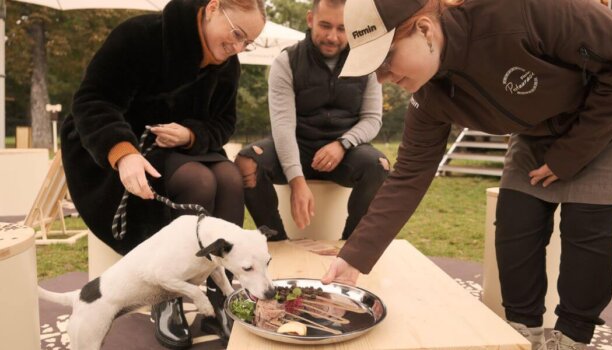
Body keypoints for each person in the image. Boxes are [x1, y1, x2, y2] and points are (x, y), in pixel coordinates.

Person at [320, 0, 612, 348]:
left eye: (386, 59)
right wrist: (355, 257)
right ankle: (522, 328)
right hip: (550, 115)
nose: (384, 78)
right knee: (516, 214)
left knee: (586, 216)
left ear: (425, 29)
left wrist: (569, 156)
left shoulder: (519, 9)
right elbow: (409, 174)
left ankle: (572, 336)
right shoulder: (430, 99)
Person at [60, 0, 265, 348]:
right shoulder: (140, 35)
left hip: (186, 149)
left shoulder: (228, 64)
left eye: (247, 43)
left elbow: (224, 123)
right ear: (213, 7)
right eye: (236, 35)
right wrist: (122, 153)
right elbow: (93, 100)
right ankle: (166, 297)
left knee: (229, 179)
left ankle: (223, 296)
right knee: (198, 182)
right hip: (126, 145)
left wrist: (191, 135)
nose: (238, 48)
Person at [234, 0, 389, 241]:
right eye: (325, 26)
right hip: (296, 146)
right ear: (310, 19)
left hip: (345, 153)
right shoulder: (286, 61)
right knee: (248, 163)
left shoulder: (366, 63)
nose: (332, 37)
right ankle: (276, 242)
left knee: (379, 165)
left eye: (342, 28)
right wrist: (296, 181)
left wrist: (343, 144)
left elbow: (372, 119)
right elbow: (283, 126)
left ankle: (350, 248)